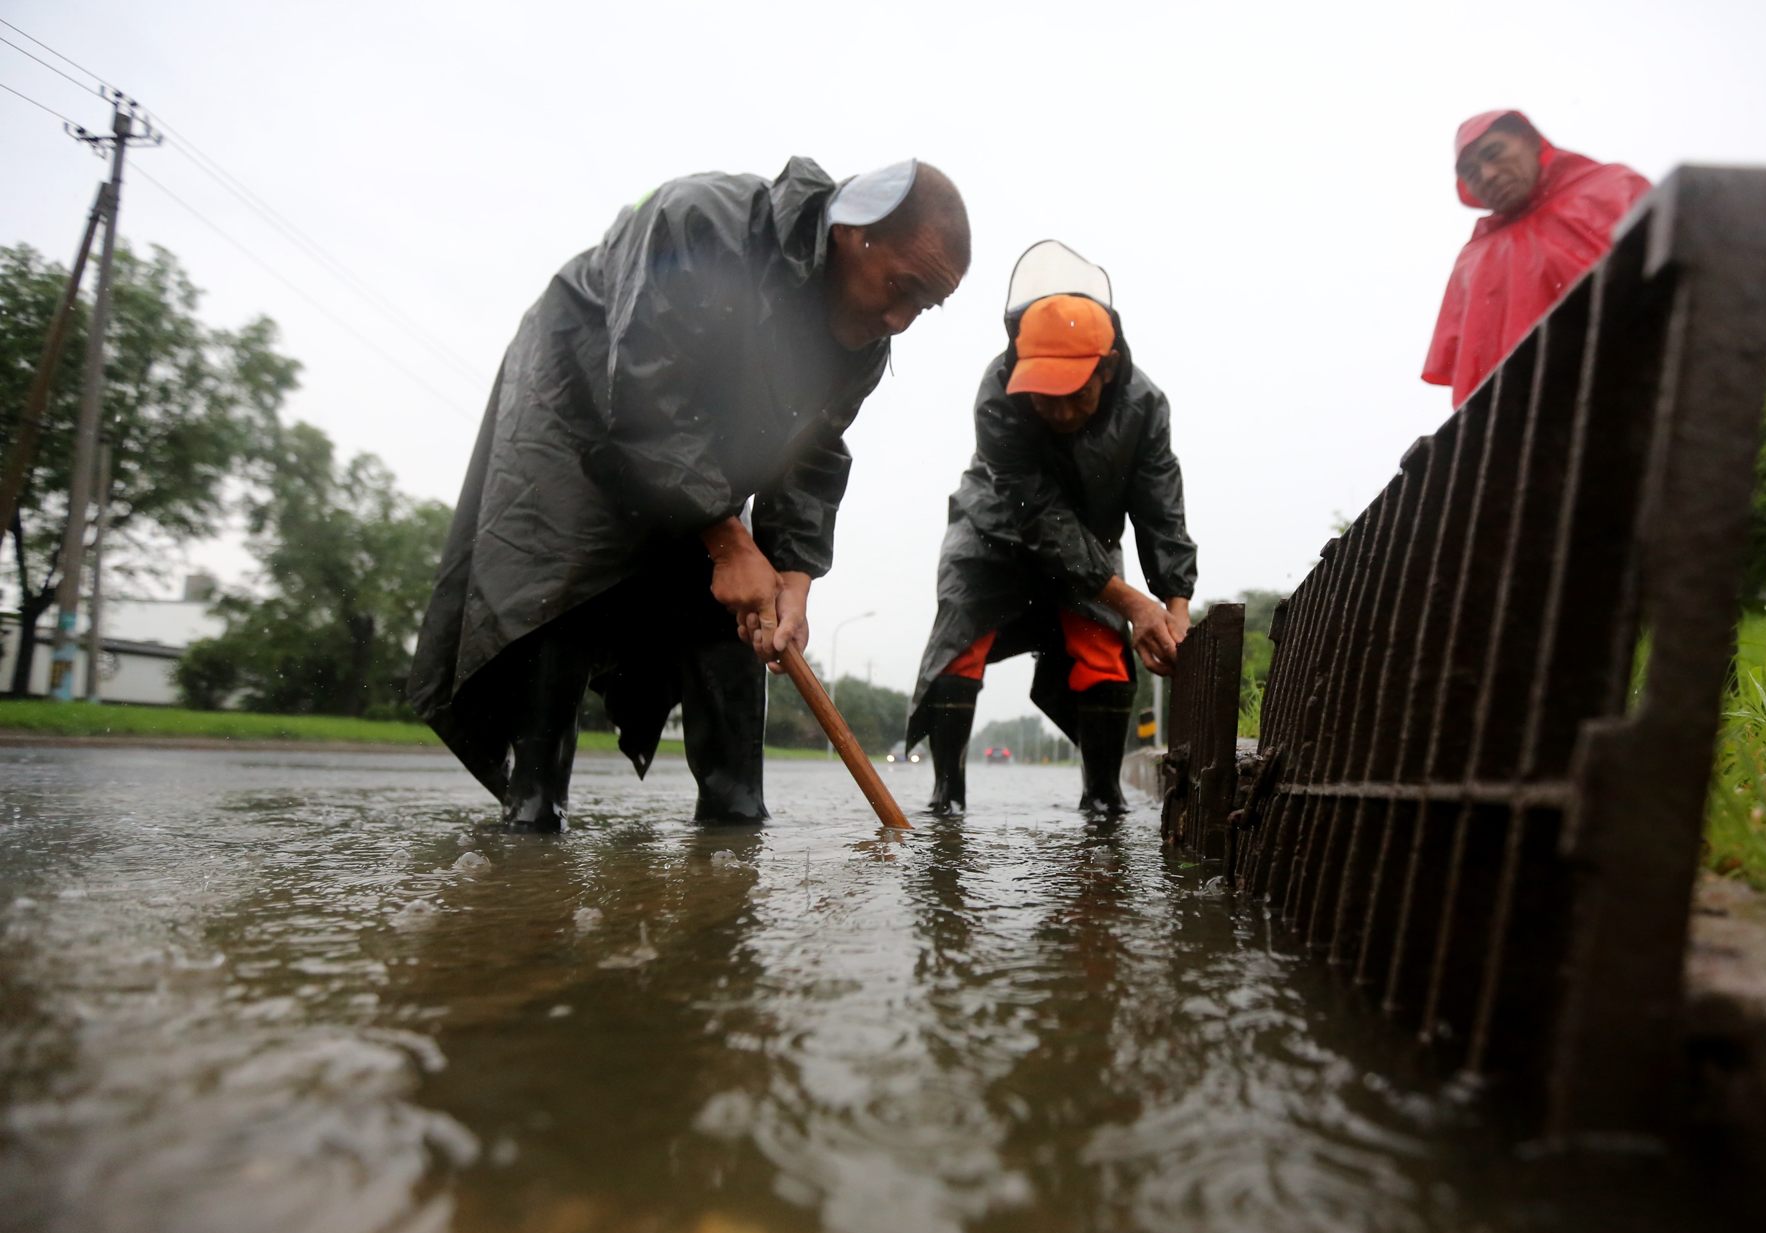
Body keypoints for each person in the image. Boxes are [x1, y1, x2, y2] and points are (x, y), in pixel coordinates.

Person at [409, 157, 970, 831]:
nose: (902, 319)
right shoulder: (704, 221)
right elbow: (643, 389)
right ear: (855, 234)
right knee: (558, 585)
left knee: (740, 613)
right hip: (578, 400)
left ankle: (735, 817)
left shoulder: (862, 343)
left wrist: (792, 576)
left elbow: (812, 454)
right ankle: (533, 814)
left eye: (924, 306)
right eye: (901, 288)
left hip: (695, 454)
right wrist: (728, 537)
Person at [905, 241, 1196, 817]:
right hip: (994, 531)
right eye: (1046, 397)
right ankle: (946, 793)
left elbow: (1161, 505)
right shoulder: (998, 394)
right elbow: (1037, 516)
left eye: (1076, 395)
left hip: (1088, 540)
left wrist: (1175, 604)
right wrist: (1134, 602)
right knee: (959, 648)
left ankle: (1103, 793)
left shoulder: (1145, 407)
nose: (1060, 413)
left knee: (1105, 649)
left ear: (1107, 367)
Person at [1422, 110, 1651, 407]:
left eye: (1494, 153)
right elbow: (1474, 377)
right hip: (1537, 420)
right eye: (1471, 173)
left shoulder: (1612, 189)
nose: (1488, 175)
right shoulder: (1473, 262)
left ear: (1530, 140)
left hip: (1638, 378)